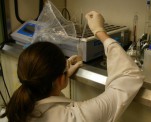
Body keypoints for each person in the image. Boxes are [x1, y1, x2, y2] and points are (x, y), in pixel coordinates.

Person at [0, 11, 143, 122]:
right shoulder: (77, 116)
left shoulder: (15, 110)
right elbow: (129, 77)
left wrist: (63, 75)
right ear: (59, 80)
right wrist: (100, 31)